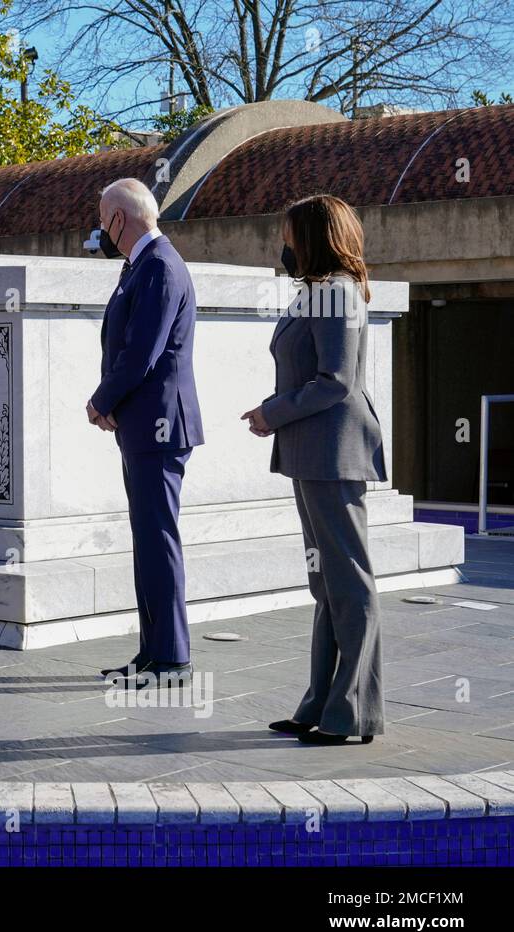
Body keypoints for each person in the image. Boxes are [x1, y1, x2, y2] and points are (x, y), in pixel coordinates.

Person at [242, 194, 386, 746]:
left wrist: (271, 413)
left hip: (333, 451)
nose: (284, 247)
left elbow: (336, 381)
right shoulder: (317, 293)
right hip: (313, 452)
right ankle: (321, 705)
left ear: (313, 238)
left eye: (289, 235)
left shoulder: (334, 293)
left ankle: (351, 714)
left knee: (349, 583)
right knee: (326, 582)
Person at [86, 178, 204, 687]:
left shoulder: (157, 265)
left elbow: (142, 352)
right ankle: (154, 653)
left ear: (119, 218)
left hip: (157, 424)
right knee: (149, 540)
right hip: (144, 424)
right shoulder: (141, 265)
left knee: (158, 539)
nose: (99, 228)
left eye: (101, 217)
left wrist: (101, 400)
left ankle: (172, 657)